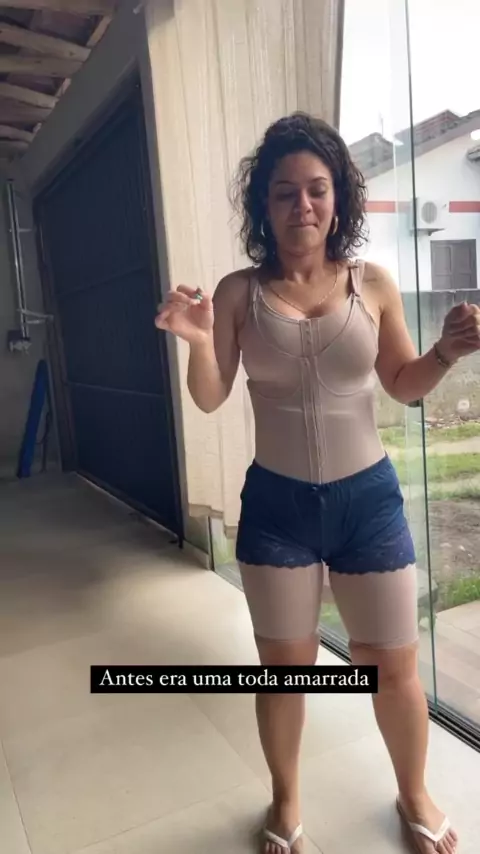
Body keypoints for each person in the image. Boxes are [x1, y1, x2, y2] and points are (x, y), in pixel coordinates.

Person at [155, 112, 480, 854]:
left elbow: (402, 384)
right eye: (284, 192)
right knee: (283, 672)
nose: (302, 204)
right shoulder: (237, 292)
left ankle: (413, 791)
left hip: (368, 503)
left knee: (393, 667)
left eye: (316, 189)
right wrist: (199, 340)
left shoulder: (374, 284)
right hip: (277, 508)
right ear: (264, 207)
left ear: (338, 199)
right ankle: (287, 798)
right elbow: (210, 395)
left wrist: (444, 353)